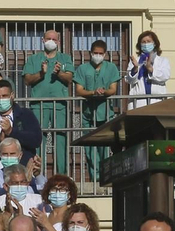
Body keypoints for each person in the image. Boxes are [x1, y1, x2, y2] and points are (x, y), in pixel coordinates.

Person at [23, 29, 74, 174]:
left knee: (61, 140)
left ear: (58, 42)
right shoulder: (34, 59)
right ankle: (37, 174)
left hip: (59, 105)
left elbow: (69, 79)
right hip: (38, 105)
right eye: (48, 38)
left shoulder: (65, 58)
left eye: (54, 39)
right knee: (38, 140)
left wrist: (59, 73)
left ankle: (62, 175)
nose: (51, 41)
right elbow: (27, 80)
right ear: (43, 40)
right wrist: (41, 73)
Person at [72, 40, 121, 182]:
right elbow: (79, 90)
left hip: (106, 114)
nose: (98, 56)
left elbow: (113, 89)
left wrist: (104, 92)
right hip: (88, 115)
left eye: (100, 53)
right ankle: (95, 180)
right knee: (90, 150)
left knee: (105, 149)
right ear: (90, 53)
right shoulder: (82, 69)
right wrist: (93, 92)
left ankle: (106, 179)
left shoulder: (111, 68)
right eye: (95, 53)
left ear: (105, 54)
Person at [122, 30, 171, 106]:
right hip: (138, 102)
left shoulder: (163, 60)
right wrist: (135, 69)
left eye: (148, 41)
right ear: (140, 45)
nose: (146, 44)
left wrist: (150, 69)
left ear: (154, 44)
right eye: (143, 42)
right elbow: (128, 80)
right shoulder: (136, 61)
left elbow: (165, 76)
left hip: (157, 100)